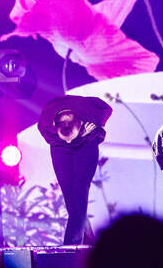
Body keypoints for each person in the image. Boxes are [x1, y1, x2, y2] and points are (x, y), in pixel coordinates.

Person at [38, 95, 112, 245]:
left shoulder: (91, 115)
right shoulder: (47, 125)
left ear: (81, 123)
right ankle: (87, 237)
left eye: (71, 138)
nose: (70, 141)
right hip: (59, 147)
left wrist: (83, 135)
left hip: (86, 142)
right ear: (55, 125)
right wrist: (67, 140)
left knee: (80, 190)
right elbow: (61, 138)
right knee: (70, 195)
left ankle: (72, 243)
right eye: (67, 138)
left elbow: (107, 109)